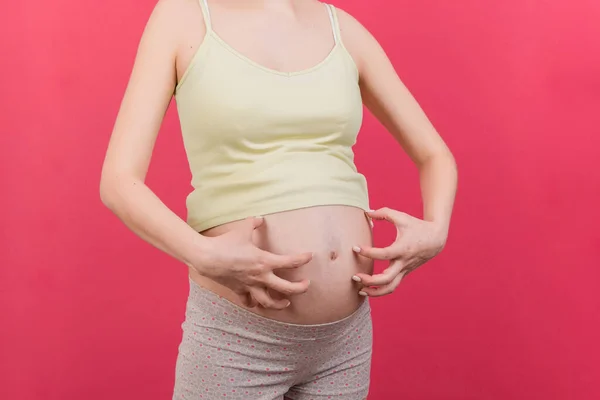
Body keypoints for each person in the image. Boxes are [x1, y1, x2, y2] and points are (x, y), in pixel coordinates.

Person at [99, 0, 457, 398]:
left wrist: (437, 228)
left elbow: (435, 155)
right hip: (236, 336)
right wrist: (200, 254)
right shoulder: (183, 17)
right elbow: (118, 180)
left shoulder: (343, 30)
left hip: (343, 342)